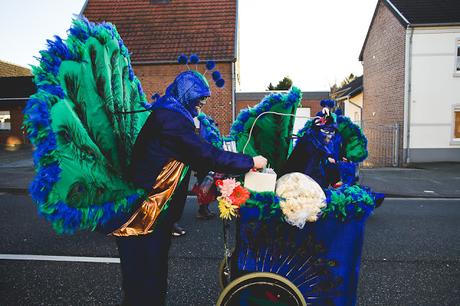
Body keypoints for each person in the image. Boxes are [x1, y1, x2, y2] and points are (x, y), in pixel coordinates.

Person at [107, 70, 267, 306]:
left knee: (150, 279)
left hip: (153, 214)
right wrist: (250, 161)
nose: (201, 105)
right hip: (144, 216)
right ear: (186, 95)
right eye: (199, 99)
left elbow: (197, 156)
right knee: (145, 284)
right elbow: (205, 154)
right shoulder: (171, 120)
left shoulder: (170, 114)